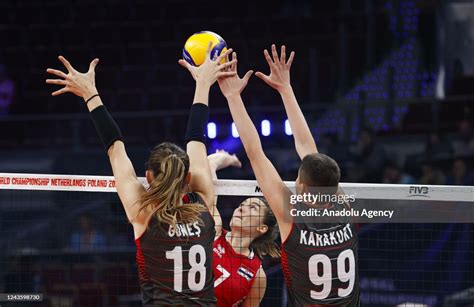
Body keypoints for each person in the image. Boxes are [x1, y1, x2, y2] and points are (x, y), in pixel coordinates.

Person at [46, 44, 236, 306]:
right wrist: (203, 84)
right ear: (187, 176)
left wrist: (90, 93)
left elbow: (115, 148)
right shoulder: (204, 205)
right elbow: (196, 138)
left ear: (147, 174)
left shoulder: (143, 213)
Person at [217, 45, 359, 306]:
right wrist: (285, 88)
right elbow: (308, 151)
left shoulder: (290, 217)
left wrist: (233, 96)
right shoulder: (344, 207)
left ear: (302, 188)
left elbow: (255, 153)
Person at [207, 150, 279, 307]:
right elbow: (207, 167)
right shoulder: (215, 231)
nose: (241, 208)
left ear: (262, 228)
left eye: (252, 207)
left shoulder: (257, 274)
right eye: (241, 204)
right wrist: (226, 158)